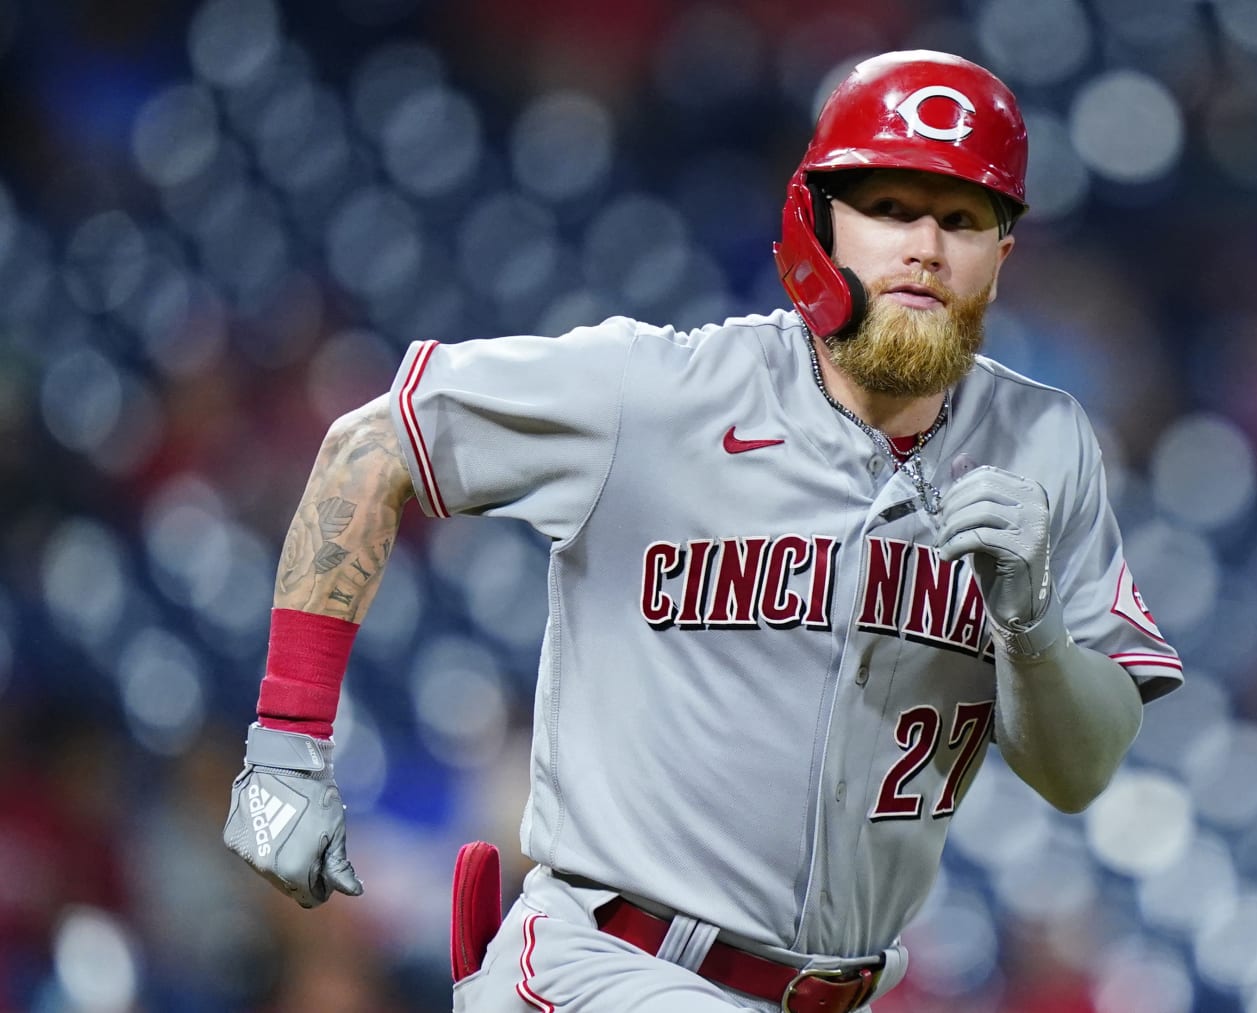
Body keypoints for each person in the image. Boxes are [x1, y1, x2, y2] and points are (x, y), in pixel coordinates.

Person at [223, 50, 1182, 1013]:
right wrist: (285, 747)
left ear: (1001, 254)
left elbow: (1080, 770)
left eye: (963, 218)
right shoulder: (659, 394)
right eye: (890, 208)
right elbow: (373, 444)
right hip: (609, 966)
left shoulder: (1044, 444)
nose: (926, 246)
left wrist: (1033, 628)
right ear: (819, 222)